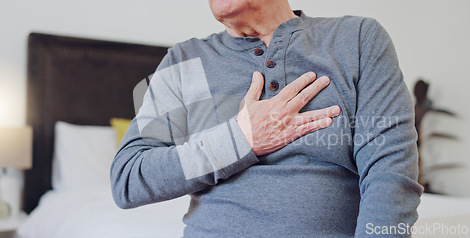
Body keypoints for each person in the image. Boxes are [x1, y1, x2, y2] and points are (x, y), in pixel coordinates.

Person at [110, 0, 423, 237]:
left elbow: (390, 172)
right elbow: (129, 178)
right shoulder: (184, 60)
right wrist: (240, 139)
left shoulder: (358, 40)